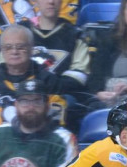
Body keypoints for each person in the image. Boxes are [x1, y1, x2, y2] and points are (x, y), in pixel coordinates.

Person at [0, 79, 75, 167]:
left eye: (37, 101)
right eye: (24, 101)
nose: (31, 107)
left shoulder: (63, 140)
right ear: (16, 105)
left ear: (47, 106)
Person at [0, 24, 65, 130]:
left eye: (21, 47)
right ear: (1, 50)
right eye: (8, 47)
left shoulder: (49, 81)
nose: (14, 52)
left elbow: (56, 121)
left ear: (31, 48)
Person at [22, 0, 90, 131]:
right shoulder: (20, 32)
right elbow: (9, 69)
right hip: (24, 95)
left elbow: (78, 78)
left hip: (61, 98)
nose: (51, 2)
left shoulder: (75, 35)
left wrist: (41, 80)